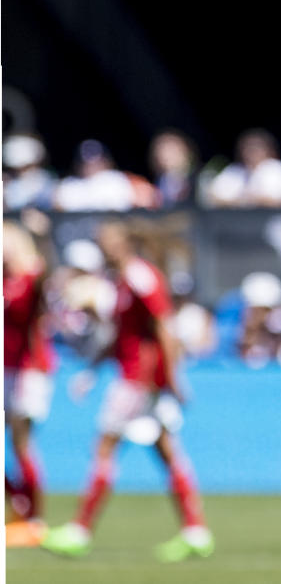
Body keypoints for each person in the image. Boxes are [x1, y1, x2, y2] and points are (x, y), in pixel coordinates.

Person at [41, 221, 214, 562]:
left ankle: (80, 530)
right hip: (140, 376)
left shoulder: (140, 277)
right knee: (167, 452)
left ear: (123, 243)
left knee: (104, 448)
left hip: (139, 379)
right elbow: (122, 336)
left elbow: (163, 326)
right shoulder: (122, 281)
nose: (101, 246)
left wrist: (172, 377)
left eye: (106, 240)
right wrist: (92, 371)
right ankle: (196, 531)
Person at [3, 221, 57, 547]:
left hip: (30, 370)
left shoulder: (30, 280)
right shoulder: (6, 282)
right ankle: (20, 506)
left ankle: (34, 518)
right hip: (7, 369)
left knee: (21, 443)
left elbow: (46, 273)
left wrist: (43, 236)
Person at [205, 128, 281, 207]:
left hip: (271, 225)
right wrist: (247, 199)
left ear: (267, 149)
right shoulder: (234, 170)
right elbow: (213, 197)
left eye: (255, 148)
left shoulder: (278, 169)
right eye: (246, 148)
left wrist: (240, 199)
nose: (250, 152)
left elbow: (279, 200)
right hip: (238, 225)